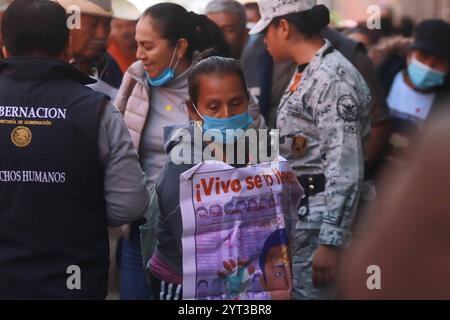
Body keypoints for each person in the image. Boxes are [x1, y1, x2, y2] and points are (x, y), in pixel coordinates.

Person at [114, 2, 265, 300]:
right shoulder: (135, 79)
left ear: (179, 47)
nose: (138, 54)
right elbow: (119, 144)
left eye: (148, 46)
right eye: (137, 45)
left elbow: (259, 157)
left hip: (210, 237)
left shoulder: (219, 82)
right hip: (142, 227)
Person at [0, 0, 149, 299]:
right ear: (66, 46)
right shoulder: (98, 110)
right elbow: (129, 204)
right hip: (72, 280)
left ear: (4, 45)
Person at [250, 0, 371, 299]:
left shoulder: (331, 79)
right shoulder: (307, 70)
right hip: (304, 215)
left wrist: (332, 241)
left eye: (267, 31)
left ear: (284, 27)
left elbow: (345, 165)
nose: (263, 40)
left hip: (321, 224)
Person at [147, 56, 258, 300]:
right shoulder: (184, 165)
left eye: (236, 103)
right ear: (193, 111)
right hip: (185, 284)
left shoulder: (257, 146)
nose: (227, 115)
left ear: (248, 101)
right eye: (214, 107)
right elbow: (201, 248)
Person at [383, 20, 450, 167]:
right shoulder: (382, 78)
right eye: (423, 57)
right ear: (409, 55)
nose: (428, 67)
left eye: (438, 62)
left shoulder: (445, 105)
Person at [56, 0, 140, 99]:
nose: (101, 34)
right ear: (70, 22)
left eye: (107, 24)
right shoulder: (48, 64)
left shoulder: (108, 65)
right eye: (93, 24)